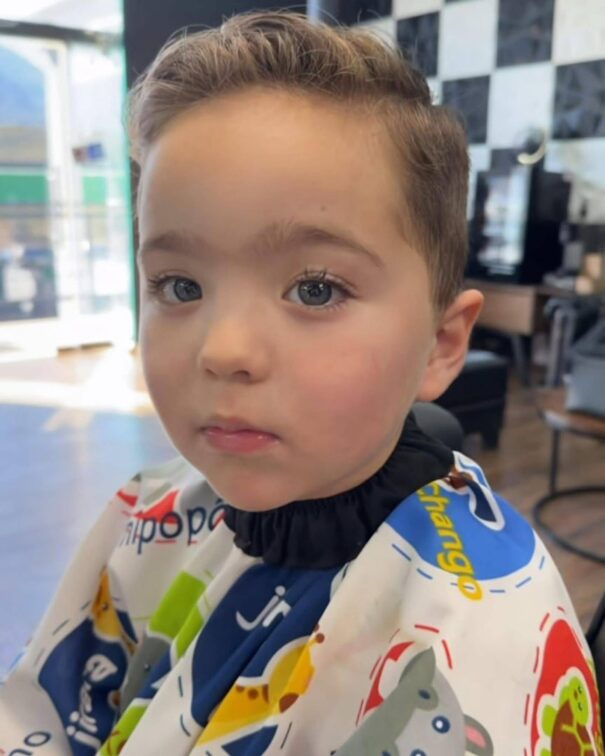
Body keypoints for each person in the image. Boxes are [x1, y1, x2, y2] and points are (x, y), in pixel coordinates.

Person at [1, 10, 602, 755]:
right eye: (180, 285)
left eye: (315, 289)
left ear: (441, 344)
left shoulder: (474, 642)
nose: (223, 350)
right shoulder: (153, 513)